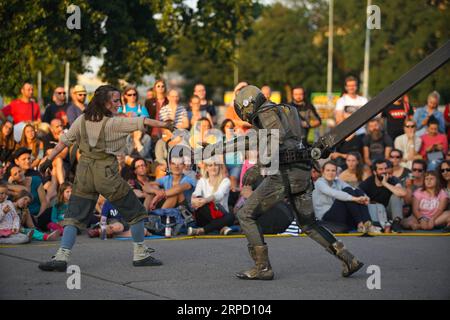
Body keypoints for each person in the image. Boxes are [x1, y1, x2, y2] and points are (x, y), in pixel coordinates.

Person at [212, 85, 364, 280]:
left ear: (247, 104)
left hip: (284, 174)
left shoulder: (265, 112)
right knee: (308, 224)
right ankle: (348, 259)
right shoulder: (285, 109)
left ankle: (263, 267)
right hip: (301, 172)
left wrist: (258, 168)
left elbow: (276, 138)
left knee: (245, 214)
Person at [37, 85, 173, 272]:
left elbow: (64, 141)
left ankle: (61, 257)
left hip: (84, 173)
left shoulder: (82, 120)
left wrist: (48, 160)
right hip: (106, 173)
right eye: (116, 101)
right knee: (136, 211)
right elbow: (142, 121)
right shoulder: (114, 123)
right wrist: (165, 125)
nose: (120, 104)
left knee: (73, 217)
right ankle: (140, 254)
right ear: (105, 103)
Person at [313, 161, 378, 234]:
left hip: (339, 215)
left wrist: (365, 197)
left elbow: (353, 189)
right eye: (328, 170)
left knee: (355, 191)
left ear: (336, 172)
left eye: (333, 170)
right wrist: (355, 199)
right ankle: (359, 223)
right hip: (325, 217)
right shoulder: (319, 183)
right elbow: (333, 193)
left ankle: (367, 223)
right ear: (322, 172)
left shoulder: (338, 182)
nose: (330, 173)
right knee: (347, 193)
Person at [189, 156, 234, 236]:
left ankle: (201, 230)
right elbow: (196, 194)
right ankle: (222, 228)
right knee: (203, 204)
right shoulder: (202, 181)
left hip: (221, 214)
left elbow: (219, 195)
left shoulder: (226, 181)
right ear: (206, 168)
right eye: (210, 165)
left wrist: (206, 200)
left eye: (216, 165)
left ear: (219, 167)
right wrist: (194, 200)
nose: (213, 167)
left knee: (231, 217)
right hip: (204, 216)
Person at [359, 159, 407, 230]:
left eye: (385, 169)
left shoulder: (392, 179)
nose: (384, 171)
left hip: (390, 212)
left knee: (396, 195)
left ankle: (396, 223)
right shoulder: (368, 182)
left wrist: (385, 183)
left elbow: (403, 193)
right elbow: (358, 194)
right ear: (375, 172)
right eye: (380, 169)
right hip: (375, 212)